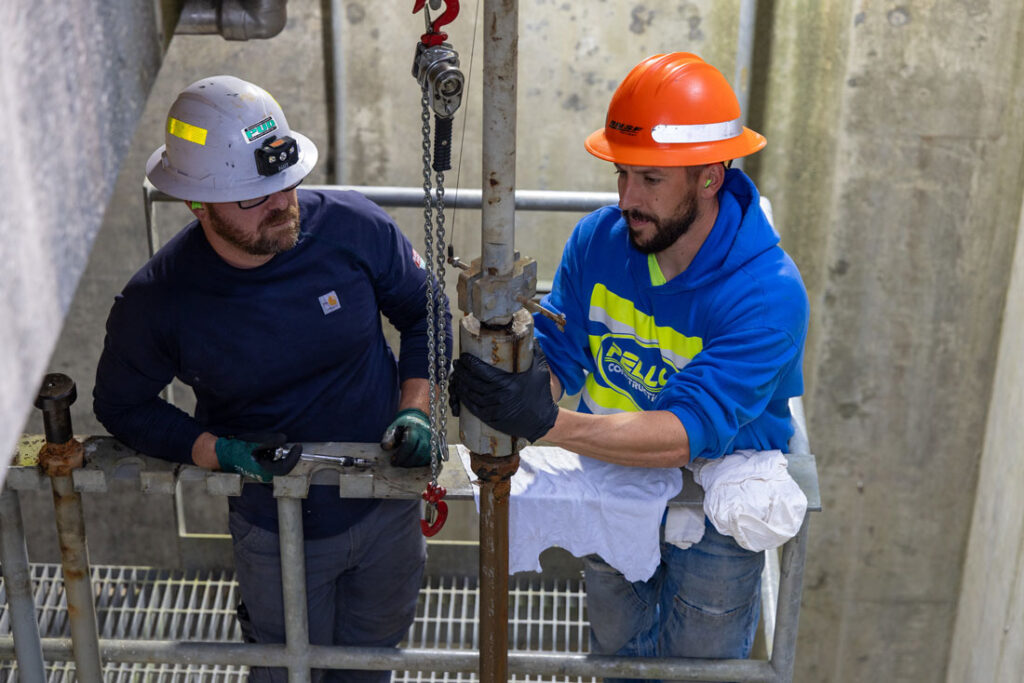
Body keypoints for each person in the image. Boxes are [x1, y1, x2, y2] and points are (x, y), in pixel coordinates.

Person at [452, 53, 808, 679]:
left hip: (713, 507)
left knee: (699, 669)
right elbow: (565, 350)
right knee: (617, 656)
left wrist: (545, 424)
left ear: (710, 176)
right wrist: (523, 384)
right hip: (614, 480)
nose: (627, 200)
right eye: (623, 175)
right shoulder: (600, 242)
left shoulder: (766, 293)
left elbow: (688, 429)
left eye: (649, 181)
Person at [94, 75, 451, 682]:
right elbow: (121, 405)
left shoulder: (353, 228)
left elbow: (426, 311)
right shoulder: (160, 299)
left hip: (385, 501)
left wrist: (414, 407)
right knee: (286, 669)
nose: (282, 204)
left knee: (373, 662)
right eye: (253, 197)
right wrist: (217, 451)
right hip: (275, 522)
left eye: (285, 182)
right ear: (197, 201)